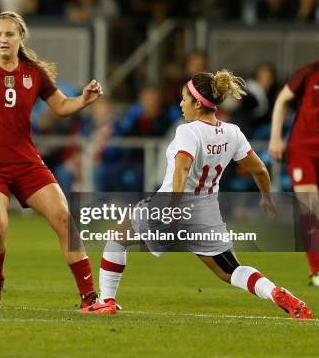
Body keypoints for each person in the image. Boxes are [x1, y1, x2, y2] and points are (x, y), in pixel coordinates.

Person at [81, 70, 313, 319]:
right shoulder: (232, 133)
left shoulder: (187, 131)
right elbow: (259, 169)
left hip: (172, 203)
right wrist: (266, 198)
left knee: (117, 238)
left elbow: (182, 167)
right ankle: (275, 291)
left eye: (184, 98)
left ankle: (107, 301)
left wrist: (173, 206)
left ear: (198, 103)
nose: (181, 104)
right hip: (207, 212)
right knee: (231, 271)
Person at [0, 11, 103, 309]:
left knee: (65, 220)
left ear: (20, 37)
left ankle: (90, 298)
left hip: (27, 164)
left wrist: (84, 101)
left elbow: (61, 106)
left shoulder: (33, 73)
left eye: (9, 34)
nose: (2, 39)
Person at [268, 60, 319, 287]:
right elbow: (282, 100)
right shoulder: (309, 72)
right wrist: (276, 138)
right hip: (303, 151)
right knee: (311, 206)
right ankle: (317, 269)